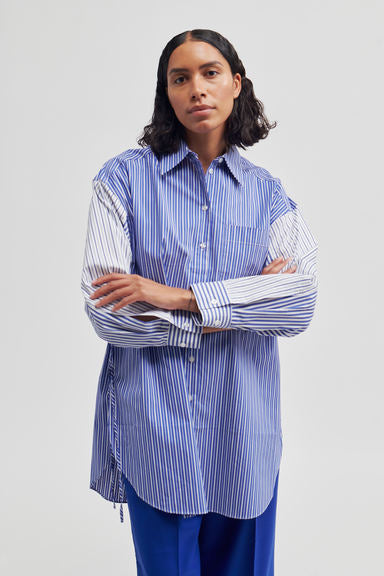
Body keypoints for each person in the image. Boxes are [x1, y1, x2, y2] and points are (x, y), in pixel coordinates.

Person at [81, 28, 318, 576]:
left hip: (246, 433)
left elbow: (300, 303)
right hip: (158, 433)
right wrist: (239, 308)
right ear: (166, 93)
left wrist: (178, 297)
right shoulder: (122, 182)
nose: (197, 89)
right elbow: (106, 311)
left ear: (237, 84)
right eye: (179, 78)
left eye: (211, 73)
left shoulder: (269, 194)